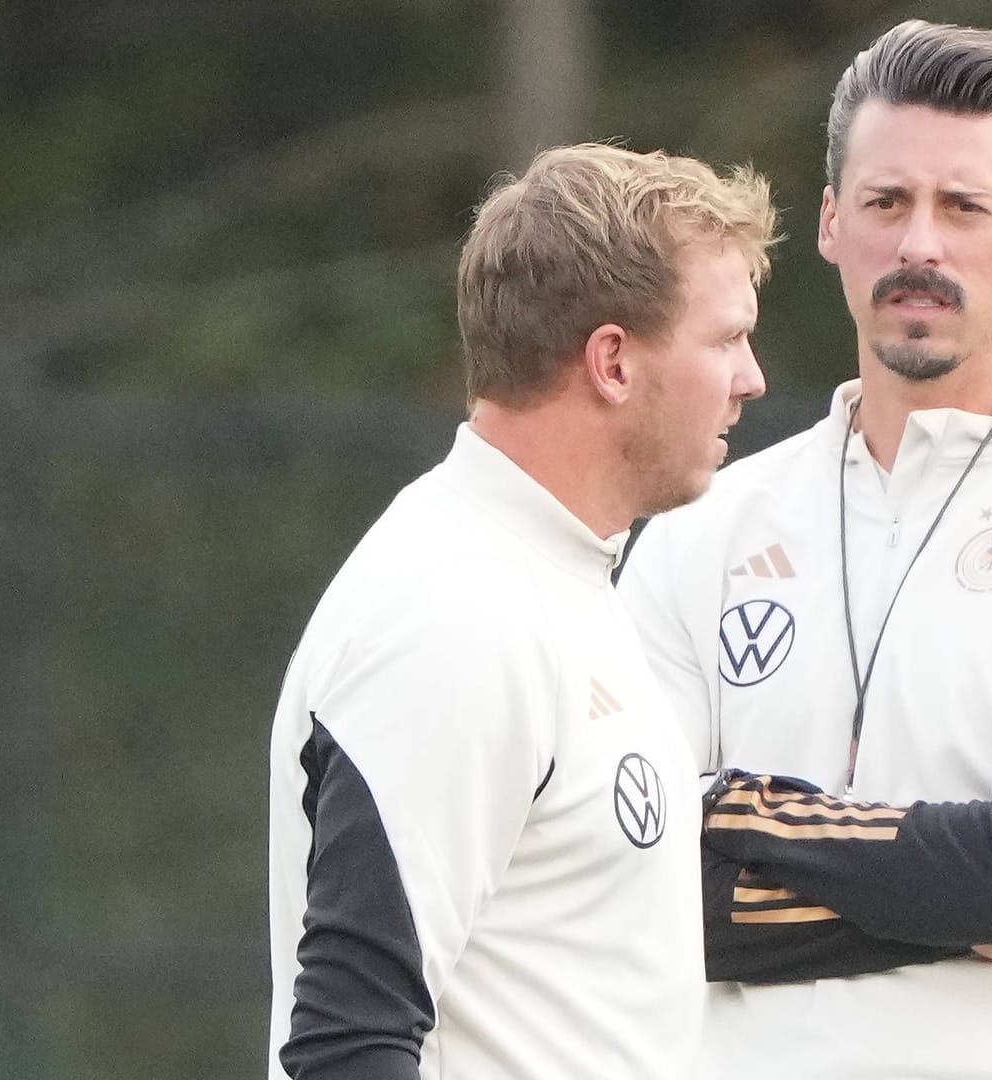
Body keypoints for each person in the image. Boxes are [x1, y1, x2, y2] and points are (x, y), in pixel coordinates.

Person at [617, 20, 992, 1079]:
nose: (920, 247)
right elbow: (623, 889)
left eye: (964, 207)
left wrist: (732, 809)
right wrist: (968, 910)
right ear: (831, 223)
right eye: (887, 203)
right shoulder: (700, 527)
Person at [266, 143, 777, 1080]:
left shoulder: (554, 577)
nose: (752, 377)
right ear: (613, 362)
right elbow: (346, 1044)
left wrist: (989, 913)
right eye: (726, 338)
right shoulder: (450, 614)